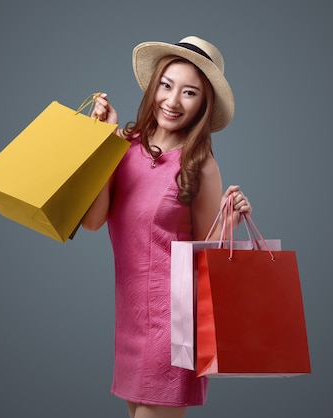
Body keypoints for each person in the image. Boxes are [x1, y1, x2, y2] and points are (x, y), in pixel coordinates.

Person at [81, 36, 252, 418]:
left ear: (203, 105)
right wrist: (101, 141)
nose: (173, 102)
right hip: (131, 319)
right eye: (167, 85)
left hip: (175, 323)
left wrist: (230, 219)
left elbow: (209, 257)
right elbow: (93, 221)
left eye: (189, 92)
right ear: (154, 85)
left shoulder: (201, 164)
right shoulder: (124, 146)